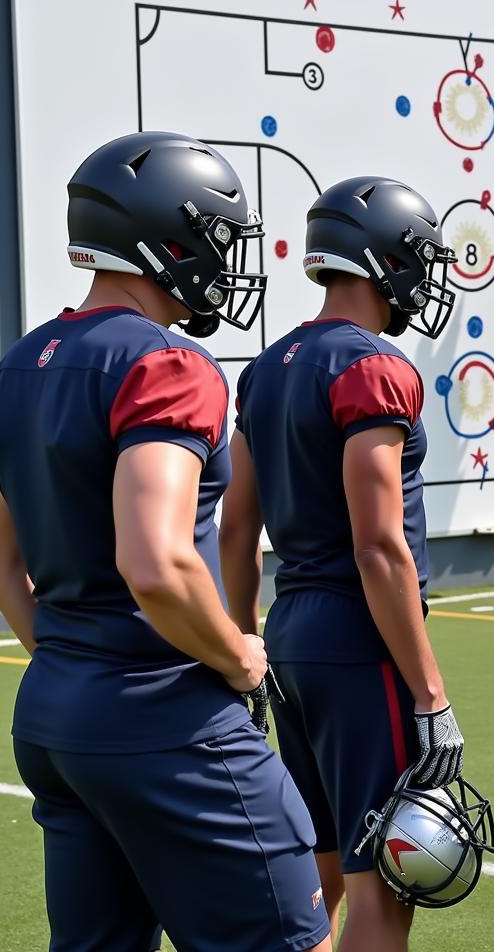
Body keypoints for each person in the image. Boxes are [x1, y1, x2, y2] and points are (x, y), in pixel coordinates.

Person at [0, 132, 332, 952]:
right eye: (218, 237)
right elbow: (155, 560)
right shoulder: (166, 364)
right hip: (167, 719)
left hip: (54, 716)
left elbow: (5, 563)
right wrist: (236, 653)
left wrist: (69, 653)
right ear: (168, 238)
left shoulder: (19, 363)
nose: (226, 259)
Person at [219, 175, 463, 952]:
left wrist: (241, 646)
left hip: (289, 633)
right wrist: (430, 693)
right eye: (418, 259)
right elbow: (378, 545)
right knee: (386, 885)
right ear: (385, 259)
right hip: (360, 641)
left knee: (320, 873)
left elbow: (235, 529)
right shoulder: (374, 368)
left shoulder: (264, 368)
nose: (424, 278)